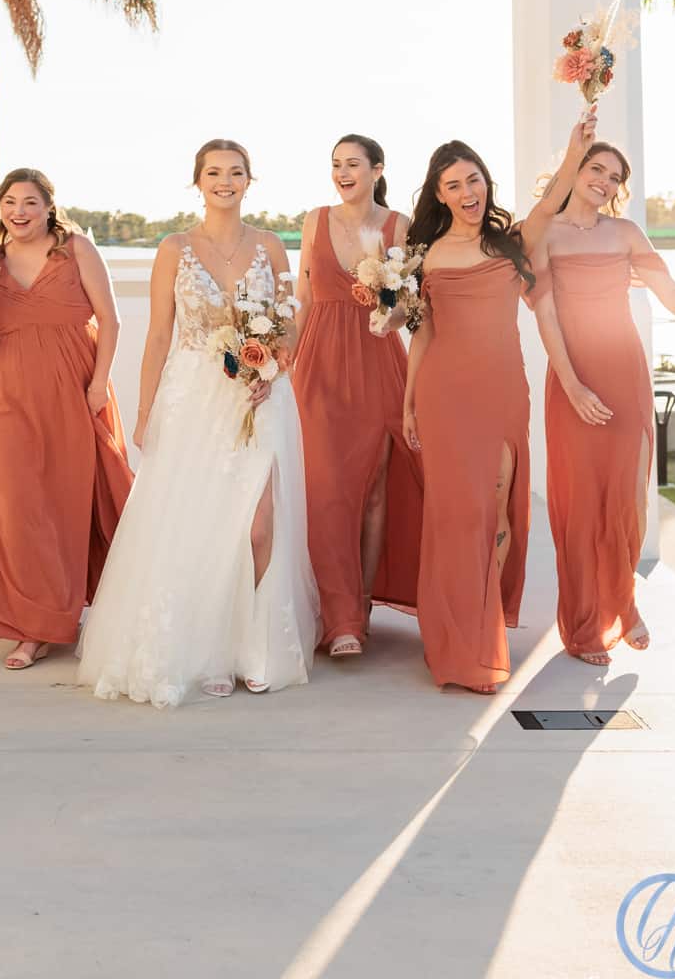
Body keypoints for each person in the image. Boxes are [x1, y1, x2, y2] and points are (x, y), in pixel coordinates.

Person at [77, 140, 319, 707]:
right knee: (200, 525)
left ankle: (255, 647)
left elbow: (287, 325)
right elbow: (160, 332)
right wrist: (144, 411)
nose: (225, 181)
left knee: (259, 526)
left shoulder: (270, 247)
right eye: (214, 173)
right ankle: (211, 652)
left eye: (236, 173)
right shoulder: (174, 248)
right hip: (191, 399)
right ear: (198, 181)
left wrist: (274, 368)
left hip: (259, 399)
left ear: (249, 181)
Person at [529, 139, 675, 663]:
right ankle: (585, 628)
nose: (603, 182)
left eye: (613, 176)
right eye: (596, 169)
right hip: (572, 376)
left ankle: (623, 603)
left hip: (625, 372)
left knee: (628, 499)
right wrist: (572, 384)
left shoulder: (626, 233)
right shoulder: (543, 235)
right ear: (574, 170)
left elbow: (669, 291)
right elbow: (546, 315)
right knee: (580, 504)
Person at [402, 116, 597, 692]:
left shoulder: (509, 239)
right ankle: (465, 642)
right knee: (459, 513)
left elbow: (550, 202)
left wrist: (573, 150)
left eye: (475, 181)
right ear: (439, 195)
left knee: (499, 508)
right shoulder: (425, 253)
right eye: (455, 186)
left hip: (502, 389)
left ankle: (480, 623)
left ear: (486, 183)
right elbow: (423, 332)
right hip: (443, 393)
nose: (468, 193)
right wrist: (409, 402)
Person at [0, 169, 133, 670]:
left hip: (68, 388)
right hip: (0, 393)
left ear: (48, 207)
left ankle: (73, 605)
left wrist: (100, 383)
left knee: (64, 501)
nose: (19, 211)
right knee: (17, 505)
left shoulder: (76, 249)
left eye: (30, 202)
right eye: (10, 202)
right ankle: (33, 625)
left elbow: (110, 319)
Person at [293, 134, 423, 657]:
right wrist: (284, 361)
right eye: (336, 164)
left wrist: (388, 312)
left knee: (373, 491)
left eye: (353, 164)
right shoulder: (312, 220)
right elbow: (302, 298)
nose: (343, 172)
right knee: (324, 491)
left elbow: (410, 304)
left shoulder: (399, 226)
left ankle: (360, 607)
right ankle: (337, 612)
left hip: (376, 361)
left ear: (377, 169)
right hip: (320, 365)